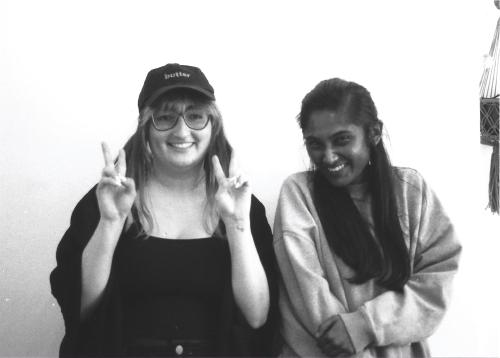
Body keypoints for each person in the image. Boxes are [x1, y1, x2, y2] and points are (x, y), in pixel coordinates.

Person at [50, 63, 279, 357]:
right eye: (166, 117)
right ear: (146, 127)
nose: (182, 131)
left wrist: (237, 224)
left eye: (195, 116)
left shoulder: (243, 205)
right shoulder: (105, 202)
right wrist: (110, 222)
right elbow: (81, 310)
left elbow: (258, 317)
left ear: (213, 125)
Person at [273, 78, 461, 357]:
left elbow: (436, 284)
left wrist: (364, 325)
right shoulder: (299, 194)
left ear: (374, 133)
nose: (327, 156)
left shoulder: (411, 192)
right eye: (314, 144)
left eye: (342, 140)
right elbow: (310, 297)